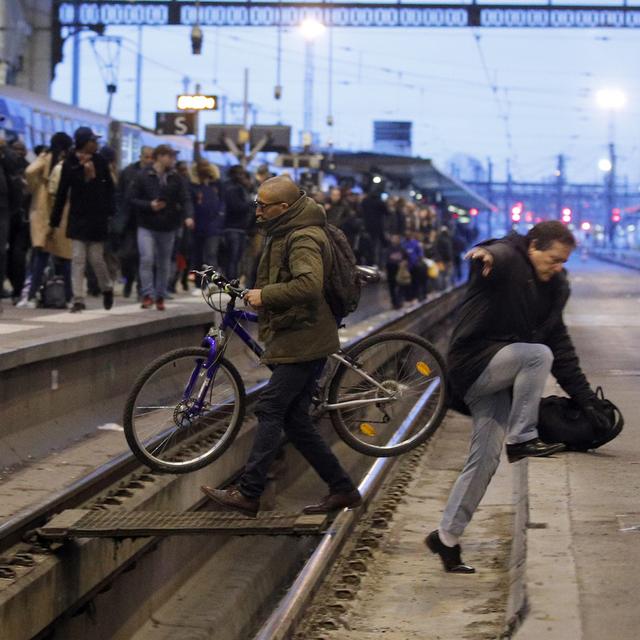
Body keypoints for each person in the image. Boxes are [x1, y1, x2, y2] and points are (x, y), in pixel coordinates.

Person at [426, 221, 610, 573]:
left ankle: (446, 538)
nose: (557, 267)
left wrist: (587, 400)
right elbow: (499, 251)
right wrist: (486, 253)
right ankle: (523, 438)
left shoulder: (554, 289)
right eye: (553, 259)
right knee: (536, 355)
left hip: (498, 379)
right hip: (473, 364)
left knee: (484, 461)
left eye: (563, 263)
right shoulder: (509, 260)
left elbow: (562, 347)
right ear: (533, 247)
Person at [201, 175, 361, 517]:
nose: (257, 211)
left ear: (283, 208)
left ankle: (248, 493)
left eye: (263, 205)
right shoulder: (284, 230)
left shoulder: (302, 236)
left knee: (271, 408)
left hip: (305, 336)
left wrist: (266, 295)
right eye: (256, 204)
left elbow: (308, 284)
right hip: (298, 331)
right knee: (296, 421)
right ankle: (342, 488)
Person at [50, 127, 115, 312]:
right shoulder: (70, 163)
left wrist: (111, 212)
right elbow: (63, 191)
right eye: (93, 141)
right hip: (78, 216)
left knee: (96, 259)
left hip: (97, 217)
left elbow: (109, 189)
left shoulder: (100, 161)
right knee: (78, 258)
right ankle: (78, 298)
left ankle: (107, 287)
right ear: (84, 143)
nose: (96, 144)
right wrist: (54, 220)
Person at [127, 144, 194, 310]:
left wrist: (188, 216)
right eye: (170, 156)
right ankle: (147, 294)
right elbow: (132, 198)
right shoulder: (143, 175)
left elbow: (185, 198)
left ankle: (160, 295)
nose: (173, 160)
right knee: (147, 258)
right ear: (160, 157)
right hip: (146, 224)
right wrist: (149, 205)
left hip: (168, 225)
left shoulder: (176, 178)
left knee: (164, 262)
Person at [19, 132, 74, 308]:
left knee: (40, 257)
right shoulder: (65, 162)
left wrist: (34, 185)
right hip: (60, 213)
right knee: (65, 257)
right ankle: (69, 296)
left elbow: (29, 171)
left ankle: (31, 296)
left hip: (42, 211)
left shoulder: (46, 158)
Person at [114, 146, 154, 298]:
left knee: (143, 256)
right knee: (127, 254)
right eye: (146, 157)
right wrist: (119, 212)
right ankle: (129, 279)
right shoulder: (128, 172)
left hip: (146, 220)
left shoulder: (155, 174)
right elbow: (119, 193)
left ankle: (140, 286)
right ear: (141, 157)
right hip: (129, 220)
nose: (149, 160)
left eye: (151, 157)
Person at [189, 158, 224, 285]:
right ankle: (199, 282)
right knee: (197, 255)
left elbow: (222, 202)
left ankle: (211, 283)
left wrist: (220, 217)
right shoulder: (193, 185)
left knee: (211, 254)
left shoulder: (216, 184)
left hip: (214, 225)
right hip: (198, 224)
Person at [222, 165, 254, 280]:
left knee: (237, 258)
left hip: (241, 227)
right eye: (240, 174)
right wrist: (251, 203)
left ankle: (233, 279)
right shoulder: (231, 188)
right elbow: (236, 207)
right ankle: (231, 281)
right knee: (233, 258)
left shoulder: (241, 188)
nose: (242, 177)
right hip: (232, 227)